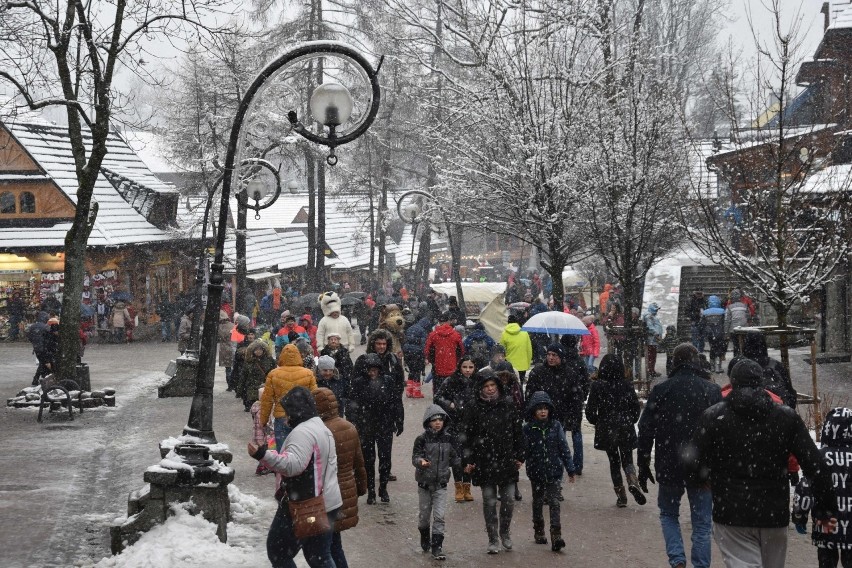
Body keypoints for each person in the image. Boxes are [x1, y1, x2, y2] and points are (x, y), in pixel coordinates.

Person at [686, 359, 838, 568]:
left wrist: (701, 478)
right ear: (762, 382)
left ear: (732, 382)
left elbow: (692, 461)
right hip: (773, 515)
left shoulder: (714, 416)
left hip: (731, 513)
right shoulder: (785, 417)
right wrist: (825, 510)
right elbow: (816, 466)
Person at [637, 343, 722, 568]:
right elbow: (721, 433)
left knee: (668, 514)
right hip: (702, 467)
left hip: (669, 463)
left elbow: (645, 429)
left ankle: (677, 559)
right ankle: (701, 565)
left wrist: (643, 462)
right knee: (702, 523)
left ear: (674, 362)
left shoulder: (661, 390)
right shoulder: (711, 391)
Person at [248, 387, 342, 568]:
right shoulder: (320, 427)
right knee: (319, 555)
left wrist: (263, 455)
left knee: (278, 551)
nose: (285, 417)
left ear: (298, 410)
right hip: (326, 503)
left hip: (305, 505)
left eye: (288, 411)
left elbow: (293, 465)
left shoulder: (303, 433)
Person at [462, 369, 525, 554]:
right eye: (486, 386)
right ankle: (492, 538)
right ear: (480, 388)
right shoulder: (473, 407)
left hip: (506, 460)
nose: (490, 389)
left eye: (493, 385)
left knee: (508, 500)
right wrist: (468, 460)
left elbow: (517, 432)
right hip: (484, 461)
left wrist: (520, 455)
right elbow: (466, 436)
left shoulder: (508, 404)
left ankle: (505, 532)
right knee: (489, 502)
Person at [312, 387, 368, 568]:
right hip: (346, 490)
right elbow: (359, 463)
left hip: (327, 494)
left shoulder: (320, 431)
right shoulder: (349, 427)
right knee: (335, 543)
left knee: (326, 547)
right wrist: (361, 487)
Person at [793, 407, 852, 568]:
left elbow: (805, 489)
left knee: (826, 562)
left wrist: (799, 516)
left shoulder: (819, 457)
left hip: (826, 523)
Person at [585, 354, 644, 507]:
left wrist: (597, 421)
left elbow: (590, 410)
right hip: (625, 425)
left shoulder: (598, 385)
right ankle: (632, 481)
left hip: (606, 427)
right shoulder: (626, 384)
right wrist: (631, 420)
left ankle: (621, 496)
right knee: (627, 458)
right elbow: (635, 407)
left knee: (614, 461)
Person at [525, 342, 590, 475]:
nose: (551, 358)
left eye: (554, 355)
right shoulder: (538, 372)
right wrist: (531, 413)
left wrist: (574, 415)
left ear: (560, 356)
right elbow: (530, 394)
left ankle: (558, 476)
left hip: (562, 415)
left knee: (559, 446)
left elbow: (576, 396)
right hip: (542, 415)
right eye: (548, 354)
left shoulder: (570, 373)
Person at [347, 353, 404, 504]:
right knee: (368, 460)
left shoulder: (388, 381)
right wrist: (353, 421)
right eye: (370, 370)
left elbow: (396, 401)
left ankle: (383, 488)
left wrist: (399, 420)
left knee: (385, 458)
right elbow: (352, 403)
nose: (372, 373)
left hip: (385, 425)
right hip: (366, 426)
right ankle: (371, 489)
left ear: (379, 370)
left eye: (375, 370)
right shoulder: (359, 383)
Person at [523, 391, 576, 551]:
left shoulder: (556, 425)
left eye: (545, 408)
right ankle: (539, 530)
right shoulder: (528, 428)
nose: (543, 411)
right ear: (534, 410)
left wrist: (570, 468)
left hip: (554, 471)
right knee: (538, 502)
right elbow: (524, 450)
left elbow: (564, 448)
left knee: (554, 502)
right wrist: (518, 461)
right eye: (539, 409)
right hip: (536, 471)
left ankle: (556, 535)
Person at [412, 404, 460, 560]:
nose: (438, 423)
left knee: (439, 516)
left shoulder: (448, 439)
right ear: (428, 422)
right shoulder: (421, 439)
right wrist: (421, 462)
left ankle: (437, 547)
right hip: (424, 485)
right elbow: (415, 457)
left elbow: (454, 458)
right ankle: (425, 536)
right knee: (424, 517)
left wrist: (465, 464)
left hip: (441, 485)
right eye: (434, 420)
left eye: (440, 419)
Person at [434, 356, 478, 503]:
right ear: (460, 367)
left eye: (471, 367)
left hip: (472, 425)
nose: (467, 370)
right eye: (465, 367)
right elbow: (438, 397)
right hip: (454, 425)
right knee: (457, 457)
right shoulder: (451, 381)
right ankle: (458, 486)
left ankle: (467, 486)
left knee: (470, 457)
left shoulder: (478, 382)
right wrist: (450, 404)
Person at [260, 343, 318, 452]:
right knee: (302, 450)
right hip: (302, 417)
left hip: (282, 416)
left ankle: (284, 468)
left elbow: (266, 400)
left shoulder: (273, 374)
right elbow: (314, 397)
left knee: (282, 452)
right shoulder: (308, 373)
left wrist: (263, 420)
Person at [424, 312, 464, 397]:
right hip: (452, 367)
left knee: (438, 391)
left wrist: (433, 361)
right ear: (448, 321)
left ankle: (438, 407)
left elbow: (428, 351)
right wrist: (456, 361)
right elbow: (461, 351)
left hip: (437, 368)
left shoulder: (433, 335)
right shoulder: (456, 335)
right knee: (451, 392)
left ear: (439, 322)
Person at [240, 339, 276, 412]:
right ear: (252, 351)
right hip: (251, 386)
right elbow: (243, 376)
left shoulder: (269, 360)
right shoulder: (249, 361)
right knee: (253, 408)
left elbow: (274, 373)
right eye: (256, 350)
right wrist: (240, 390)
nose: (258, 351)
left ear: (264, 350)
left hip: (265, 385)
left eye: (260, 349)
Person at [402, 315, 432, 398]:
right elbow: (424, 345)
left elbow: (404, 340)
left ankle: (409, 391)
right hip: (417, 353)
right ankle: (416, 392)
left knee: (411, 371)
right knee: (417, 371)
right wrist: (425, 356)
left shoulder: (410, 328)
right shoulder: (423, 331)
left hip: (407, 352)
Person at [500, 315, 533, 383]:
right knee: (520, 384)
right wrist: (528, 363)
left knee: (511, 385)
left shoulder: (504, 334)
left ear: (508, 322)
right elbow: (529, 350)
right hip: (523, 365)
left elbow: (502, 350)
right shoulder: (525, 333)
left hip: (510, 365)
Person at [700, 295, 726, 374]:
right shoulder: (722, 311)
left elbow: (702, 324)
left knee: (712, 348)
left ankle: (712, 366)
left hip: (710, 333)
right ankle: (719, 366)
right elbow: (725, 322)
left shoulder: (705, 312)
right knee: (719, 348)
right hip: (720, 332)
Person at [27, 311, 54, 385]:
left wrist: (35, 343)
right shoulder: (46, 327)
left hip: (36, 349)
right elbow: (50, 338)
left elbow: (29, 337)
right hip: (44, 348)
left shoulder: (32, 327)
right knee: (45, 363)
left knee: (42, 362)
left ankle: (39, 378)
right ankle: (40, 379)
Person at [725, 289, 750, 357]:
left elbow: (727, 320)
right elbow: (748, 316)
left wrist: (726, 332)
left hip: (734, 329)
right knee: (744, 344)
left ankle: (736, 358)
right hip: (744, 328)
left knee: (736, 346)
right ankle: (744, 357)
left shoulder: (729, 307)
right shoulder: (745, 306)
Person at [642, 303, 664, 378]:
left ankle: (652, 370)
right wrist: (657, 334)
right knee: (651, 356)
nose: (657, 311)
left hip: (653, 339)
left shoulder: (652, 315)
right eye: (656, 309)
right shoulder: (649, 316)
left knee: (653, 355)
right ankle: (650, 370)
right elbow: (650, 327)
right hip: (652, 339)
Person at [217, 310, 235, 391]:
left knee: (227, 369)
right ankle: (234, 384)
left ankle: (230, 386)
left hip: (224, 349)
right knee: (235, 367)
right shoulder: (233, 326)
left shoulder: (218, 327)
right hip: (233, 346)